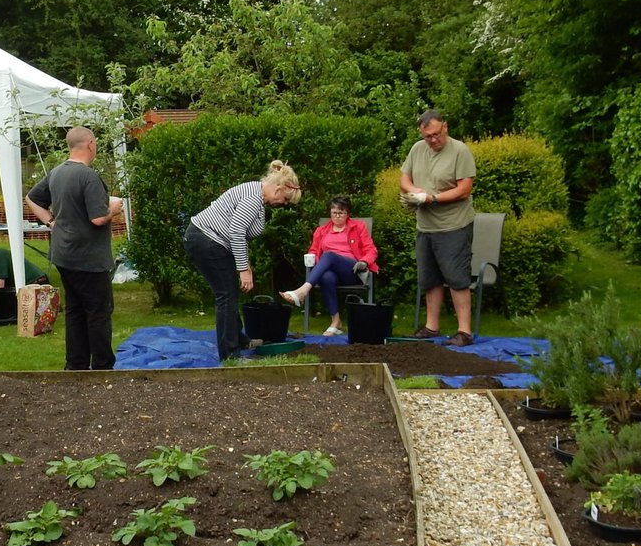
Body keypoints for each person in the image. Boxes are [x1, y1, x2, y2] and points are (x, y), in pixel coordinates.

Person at [184, 160, 302, 363]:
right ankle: (230, 355)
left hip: (209, 241)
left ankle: (238, 340)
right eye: (285, 199)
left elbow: (242, 236)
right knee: (226, 295)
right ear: (278, 189)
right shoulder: (253, 199)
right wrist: (243, 270)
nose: (284, 204)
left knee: (229, 292)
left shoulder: (257, 195)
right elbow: (237, 232)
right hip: (205, 240)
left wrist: (245, 265)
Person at [26, 125, 123, 370]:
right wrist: (114, 209)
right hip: (89, 258)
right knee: (98, 312)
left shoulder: (57, 173)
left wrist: (50, 221)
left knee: (75, 311)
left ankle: (76, 365)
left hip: (64, 255)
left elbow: (31, 198)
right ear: (90, 143)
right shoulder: (88, 177)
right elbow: (98, 218)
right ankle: (102, 366)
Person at [399, 108, 478, 346]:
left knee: (457, 278)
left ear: (445, 127)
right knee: (429, 279)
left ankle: (464, 332)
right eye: (427, 136)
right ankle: (431, 327)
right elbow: (404, 178)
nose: (433, 140)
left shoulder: (460, 151)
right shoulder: (417, 149)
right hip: (425, 227)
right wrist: (415, 192)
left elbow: (464, 189)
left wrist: (433, 198)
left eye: (436, 134)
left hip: (453, 226)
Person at [278, 194, 378, 337]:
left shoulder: (358, 227)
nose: (337, 216)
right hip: (331, 271)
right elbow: (313, 251)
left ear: (348, 214)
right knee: (326, 277)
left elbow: (371, 250)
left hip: (352, 271)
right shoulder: (321, 231)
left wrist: (364, 262)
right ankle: (336, 322)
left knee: (329, 255)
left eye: (341, 213)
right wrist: (314, 260)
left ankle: (303, 291)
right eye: (334, 212)